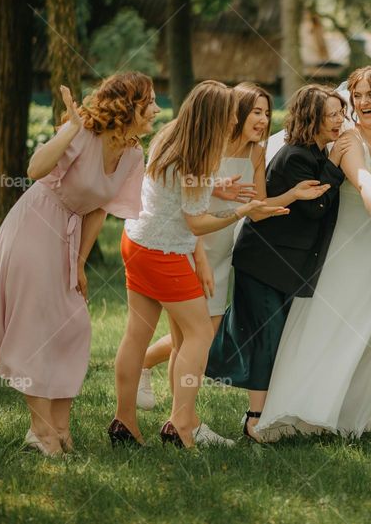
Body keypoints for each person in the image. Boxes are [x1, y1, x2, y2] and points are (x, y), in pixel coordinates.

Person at [0, 73, 159, 456]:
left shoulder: (132, 152)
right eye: (150, 102)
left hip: (70, 233)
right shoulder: (83, 135)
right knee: (36, 326)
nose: (157, 110)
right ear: (128, 106)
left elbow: (100, 210)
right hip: (36, 223)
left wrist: (78, 263)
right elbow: (34, 170)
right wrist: (72, 128)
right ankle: (40, 432)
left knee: (72, 328)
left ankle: (60, 429)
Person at [109, 80, 287, 449]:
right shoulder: (196, 154)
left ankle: (125, 422)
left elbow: (180, 202)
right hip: (165, 253)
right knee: (200, 335)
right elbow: (197, 222)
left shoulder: (171, 135)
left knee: (139, 335)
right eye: (227, 116)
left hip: (136, 241)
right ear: (212, 117)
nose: (231, 123)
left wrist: (203, 253)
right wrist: (242, 210)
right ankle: (182, 426)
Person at [136, 82, 323, 411]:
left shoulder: (256, 152)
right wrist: (217, 194)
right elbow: (190, 203)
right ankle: (174, 408)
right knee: (190, 334)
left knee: (200, 334)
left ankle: (177, 414)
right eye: (256, 112)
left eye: (267, 113)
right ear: (236, 113)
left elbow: (259, 206)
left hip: (223, 249)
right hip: (193, 243)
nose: (264, 120)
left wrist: (293, 195)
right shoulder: (210, 143)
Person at [253, 66, 371, 442]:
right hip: (347, 245)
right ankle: (309, 410)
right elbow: (364, 180)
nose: (365, 102)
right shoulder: (349, 140)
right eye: (358, 95)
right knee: (331, 323)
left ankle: (364, 415)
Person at [206, 84, 350, 441]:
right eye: (330, 114)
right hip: (263, 262)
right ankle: (254, 419)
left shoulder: (316, 153)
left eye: (339, 113)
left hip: (285, 265)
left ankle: (266, 409)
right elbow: (314, 207)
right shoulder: (296, 157)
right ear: (311, 118)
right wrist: (334, 165)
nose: (338, 120)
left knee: (248, 334)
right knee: (264, 339)